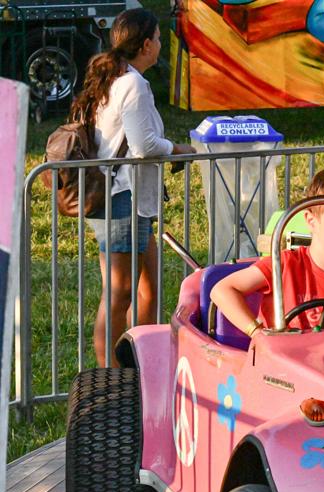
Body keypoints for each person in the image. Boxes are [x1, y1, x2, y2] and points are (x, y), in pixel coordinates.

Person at [70, 8, 196, 367]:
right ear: (145, 44)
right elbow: (144, 147)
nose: (160, 44)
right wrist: (180, 149)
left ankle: (139, 367)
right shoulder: (134, 84)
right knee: (119, 292)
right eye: (157, 38)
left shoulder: (117, 78)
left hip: (127, 199)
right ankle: (110, 378)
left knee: (148, 289)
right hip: (120, 199)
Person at [211, 168, 324, 334]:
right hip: (275, 357)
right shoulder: (284, 265)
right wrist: (257, 333)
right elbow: (222, 290)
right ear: (311, 221)